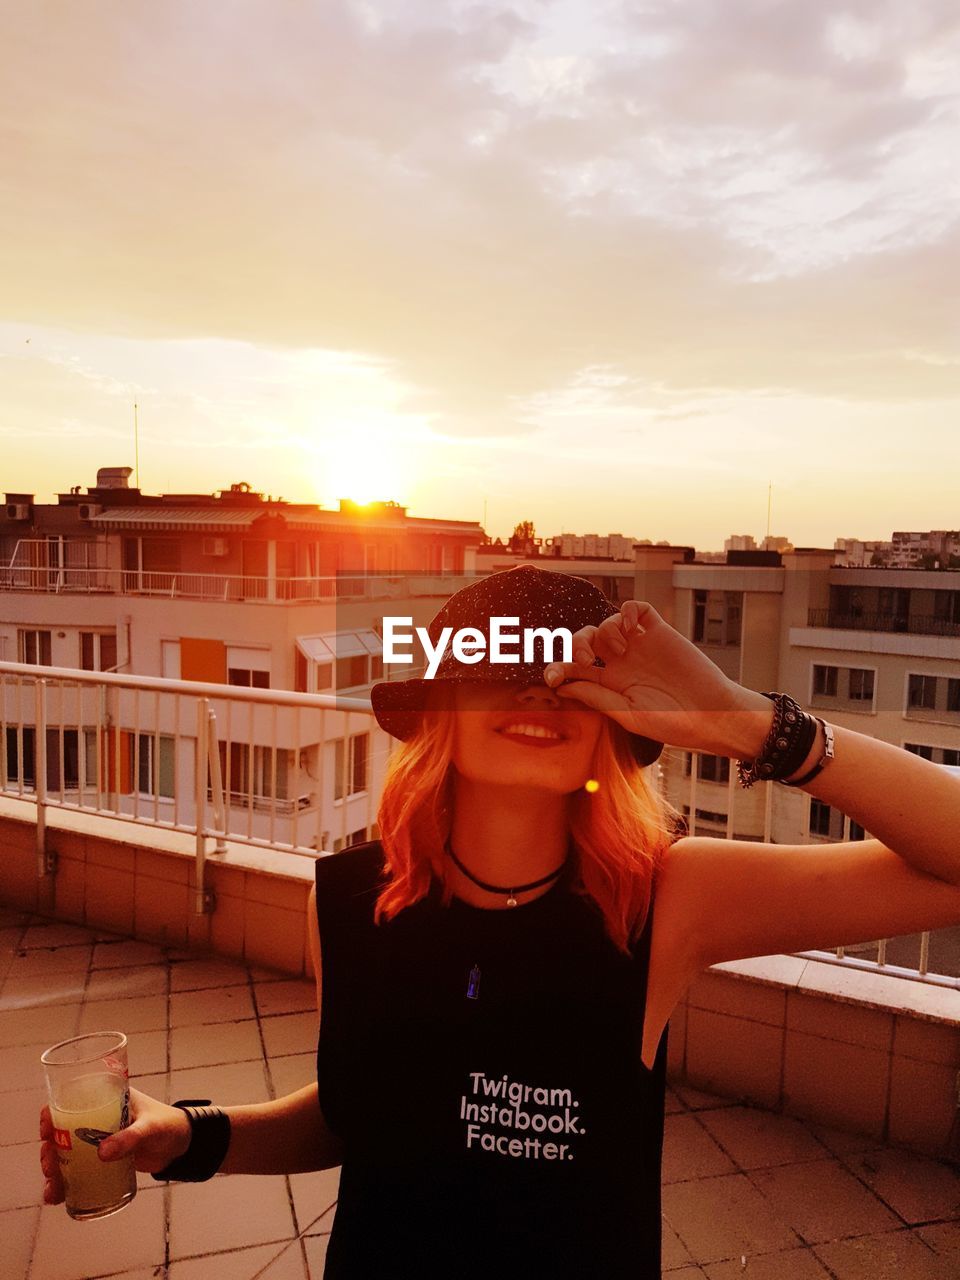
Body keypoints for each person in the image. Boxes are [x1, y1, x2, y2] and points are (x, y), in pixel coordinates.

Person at [40, 564, 960, 1278]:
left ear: (615, 729)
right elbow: (361, 1115)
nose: (538, 693)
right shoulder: (350, 897)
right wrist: (190, 1137)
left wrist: (748, 723)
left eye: (575, 679)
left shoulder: (667, 897)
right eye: (501, 667)